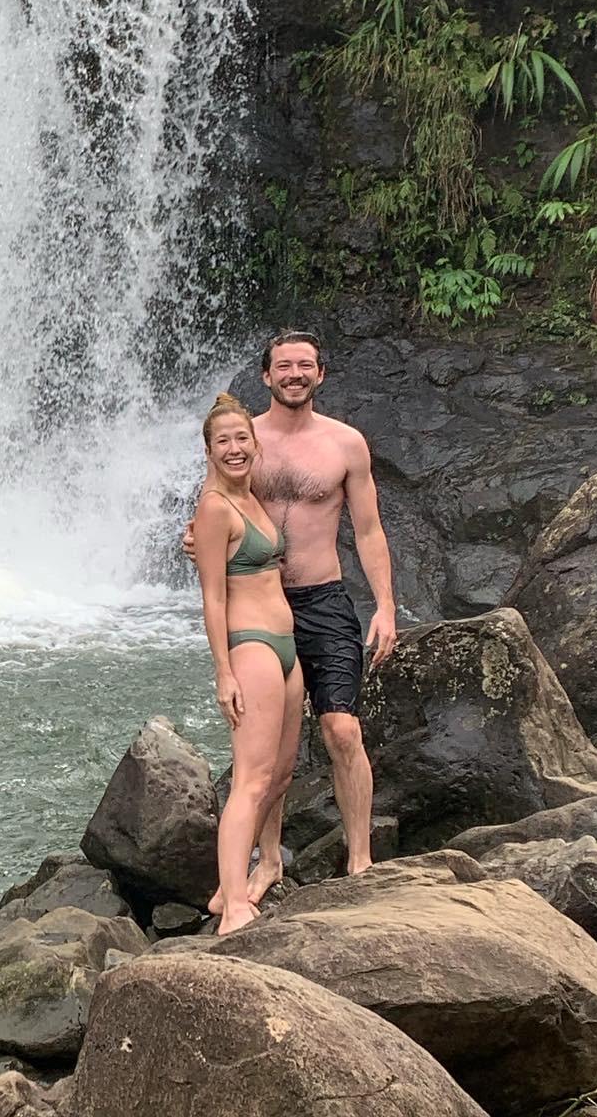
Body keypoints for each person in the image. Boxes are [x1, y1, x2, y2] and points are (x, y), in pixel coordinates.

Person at [186, 331, 397, 900]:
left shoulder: (345, 444)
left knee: (341, 728)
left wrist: (385, 605)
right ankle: (268, 861)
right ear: (267, 375)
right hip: (260, 609)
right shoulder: (244, 440)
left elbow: (369, 530)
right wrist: (195, 543)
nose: (295, 374)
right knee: (270, 752)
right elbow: (212, 512)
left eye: (305, 365)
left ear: (320, 374)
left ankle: (360, 860)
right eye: (284, 366)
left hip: (324, 599)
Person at [193, 390, 305, 934]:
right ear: (209, 451)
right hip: (252, 646)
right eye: (223, 442)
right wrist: (224, 672)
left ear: (255, 443)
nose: (234, 449)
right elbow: (213, 597)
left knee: (279, 775)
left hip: (286, 648)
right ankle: (234, 907)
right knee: (251, 779)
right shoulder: (215, 508)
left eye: (242, 438)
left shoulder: (252, 496)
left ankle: (228, 887)